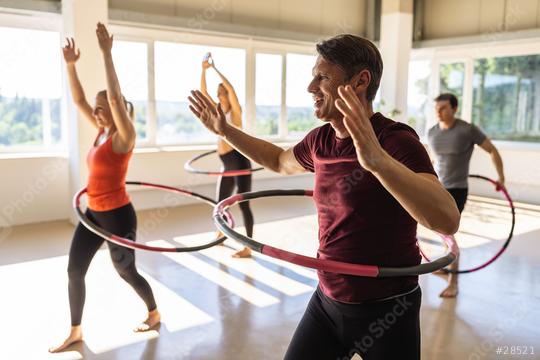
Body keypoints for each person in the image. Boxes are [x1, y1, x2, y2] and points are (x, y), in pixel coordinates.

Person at [189, 34, 460, 360]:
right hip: (328, 300)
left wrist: (377, 161)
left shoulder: (395, 140)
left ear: (360, 81)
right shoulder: (320, 141)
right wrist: (225, 131)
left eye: (323, 77)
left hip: (389, 309)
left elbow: (447, 218)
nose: (310, 87)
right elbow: (278, 160)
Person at [49, 23, 160, 353]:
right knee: (74, 270)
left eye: (103, 107)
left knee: (126, 272)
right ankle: (75, 331)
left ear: (116, 109)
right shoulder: (99, 131)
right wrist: (70, 65)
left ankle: (153, 312)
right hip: (92, 213)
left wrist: (106, 53)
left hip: (118, 216)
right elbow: (80, 99)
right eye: (96, 108)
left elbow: (113, 95)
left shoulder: (122, 137)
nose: (96, 111)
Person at [428, 93, 505, 298]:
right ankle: (446, 267)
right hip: (438, 187)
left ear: (454, 108)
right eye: (436, 108)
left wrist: (501, 178)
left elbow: (492, 150)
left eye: (443, 107)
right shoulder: (432, 132)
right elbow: (435, 162)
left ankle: (453, 282)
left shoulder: (467, 130)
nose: (439, 111)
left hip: (457, 189)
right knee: (441, 232)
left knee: (449, 232)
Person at [200, 52, 254, 258]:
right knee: (220, 204)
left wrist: (214, 69)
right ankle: (220, 235)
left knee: (244, 205)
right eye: (219, 89)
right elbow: (203, 92)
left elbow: (230, 88)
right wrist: (203, 70)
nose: (220, 89)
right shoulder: (216, 112)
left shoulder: (235, 113)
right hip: (226, 164)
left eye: (222, 89)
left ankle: (248, 246)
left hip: (239, 162)